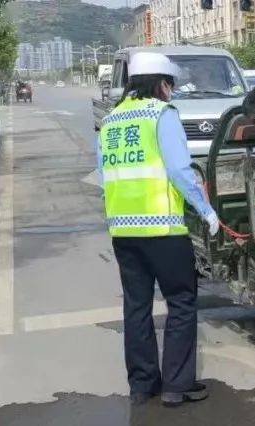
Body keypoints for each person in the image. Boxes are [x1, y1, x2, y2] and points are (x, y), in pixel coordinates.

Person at [97, 52, 220, 407]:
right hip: (164, 229)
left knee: (136, 307)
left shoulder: (111, 120)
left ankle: (142, 385)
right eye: (171, 85)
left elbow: (104, 176)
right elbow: (181, 172)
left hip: (123, 231)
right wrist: (207, 211)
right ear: (162, 84)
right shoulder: (161, 115)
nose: (171, 92)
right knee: (181, 302)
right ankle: (176, 386)